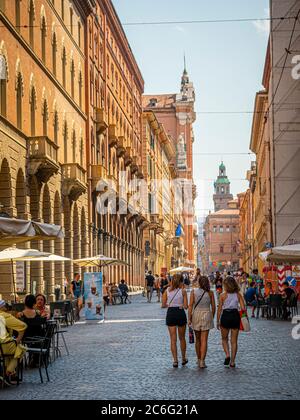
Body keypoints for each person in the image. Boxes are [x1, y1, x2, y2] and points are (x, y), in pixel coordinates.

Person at [217, 277, 246, 369]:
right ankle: (232, 361)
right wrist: (244, 318)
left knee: (224, 339)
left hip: (225, 316)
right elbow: (243, 308)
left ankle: (227, 354)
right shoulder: (238, 295)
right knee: (234, 341)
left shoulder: (222, 295)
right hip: (235, 316)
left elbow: (219, 309)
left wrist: (217, 320)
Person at [188, 276, 216, 369]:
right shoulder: (210, 293)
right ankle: (202, 362)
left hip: (196, 314)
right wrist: (212, 316)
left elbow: (190, 306)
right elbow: (214, 307)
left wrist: (189, 318)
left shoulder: (193, 292)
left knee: (198, 340)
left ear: (199, 282)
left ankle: (199, 359)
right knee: (204, 340)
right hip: (207, 313)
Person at [162, 274, 188, 368]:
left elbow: (163, 305)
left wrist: (169, 304)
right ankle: (184, 358)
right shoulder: (183, 291)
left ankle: (175, 360)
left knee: (173, 339)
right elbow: (186, 306)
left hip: (171, 313)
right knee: (182, 338)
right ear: (181, 281)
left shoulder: (167, 291)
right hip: (180, 313)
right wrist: (180, 304)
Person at [0, 300, 27, 385]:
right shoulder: (5, 316)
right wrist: (18, 339)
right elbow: (23, 326)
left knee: (11, 351)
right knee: (21, 349)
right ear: (2, 308)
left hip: (1, 348)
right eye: (5, 306)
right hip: (4, 346)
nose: (6, 308)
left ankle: (8, 374)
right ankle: (8, 371)